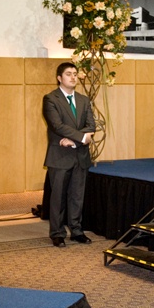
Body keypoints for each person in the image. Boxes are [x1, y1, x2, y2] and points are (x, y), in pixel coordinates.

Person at [42, 62, 95, 247]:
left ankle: (77, 230)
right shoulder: (50, 99)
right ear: (59, 78)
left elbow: (91, 126)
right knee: (58, 197)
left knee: (77, 196)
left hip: (80, 155)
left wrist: (74, 141)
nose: (73, 77)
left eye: (75, 73)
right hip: (60, 156)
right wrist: (81, 137)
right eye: (68, 74)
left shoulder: (84, 100)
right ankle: (57, 233)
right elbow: (57, 125)